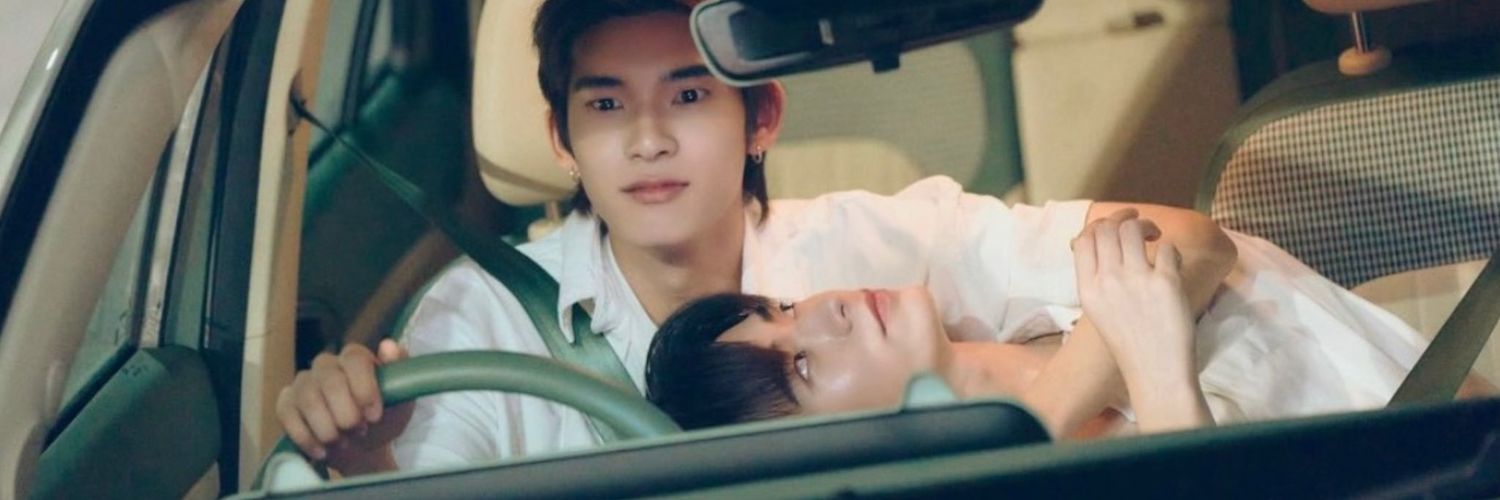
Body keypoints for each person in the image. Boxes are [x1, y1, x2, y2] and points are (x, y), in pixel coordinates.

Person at [274, 0, 1238, 475]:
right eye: (605, 105)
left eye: (688, 96)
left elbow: (1191, 246)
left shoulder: (868, 251)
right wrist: (363, 456)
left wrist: (1046, 413)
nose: (647, 139)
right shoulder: (481, 320)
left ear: (762, 118)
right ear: (562, 139)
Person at [645, 211, 1494, 434]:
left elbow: (1197, 244)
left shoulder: (1043, 315)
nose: (822, 313)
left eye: (781, 309)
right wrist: (1154, 363)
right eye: (799, 365)